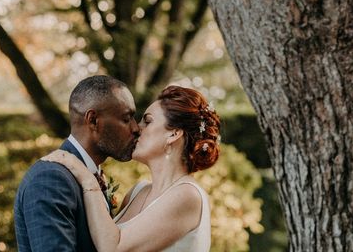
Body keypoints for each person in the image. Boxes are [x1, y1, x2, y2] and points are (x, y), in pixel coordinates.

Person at [43, 85, 221, 252]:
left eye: (147, 121)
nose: (136, 128)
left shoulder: (188, 196)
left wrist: (86, 177)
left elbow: (112, 247)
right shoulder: (138, 191)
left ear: (173, 134)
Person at [14, 75, 140, 252]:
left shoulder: (90, 175)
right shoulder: (51, 179)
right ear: (93, 120)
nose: (136, 128)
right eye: (127, 119)